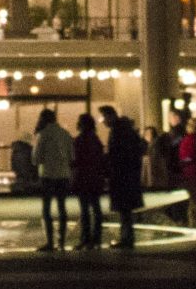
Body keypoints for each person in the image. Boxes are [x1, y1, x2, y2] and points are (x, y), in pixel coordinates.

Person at [101, 105, 148, 250]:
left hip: (122, 176)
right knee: (125, 209)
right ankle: (127, 237)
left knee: (124, 209)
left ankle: (126, 238)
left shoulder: (118, 131)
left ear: (110, 116)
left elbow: (117, 154)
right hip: (128, 175)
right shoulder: (126, 130)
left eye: (104, 118)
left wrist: (110, 168)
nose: (103, 122)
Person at [33, 107, 74, 252]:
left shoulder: (42, 135)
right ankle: (61, 241)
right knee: (62, 208)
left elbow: (36, 158)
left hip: (48, 176)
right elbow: (72, 156)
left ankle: (50, 242)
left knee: (47, 209)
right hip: (63, 175)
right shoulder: (65, 134)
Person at [71, 111, 107, 248]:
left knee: (85, 210)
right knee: (96, 209)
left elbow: (75, 161)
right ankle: (96, 239)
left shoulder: (79, 141)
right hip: (95, 179)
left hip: (83, 179)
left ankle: (85, 239)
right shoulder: (96, 140)